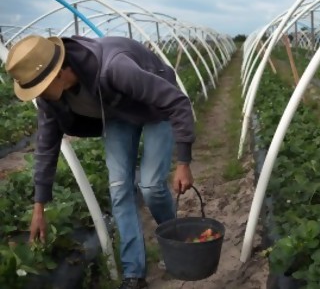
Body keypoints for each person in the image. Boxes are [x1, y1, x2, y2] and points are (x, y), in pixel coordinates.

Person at [5, 34, 196, 289]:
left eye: (39, 88)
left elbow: (177, 103)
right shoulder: (50, 100)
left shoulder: (114, 68)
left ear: (59, 72)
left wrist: (183, 162)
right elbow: (46, 147)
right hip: (117, 112)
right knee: (118, 189)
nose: (38, 96)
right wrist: (39, 206)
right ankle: (134, 274)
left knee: (150, 185)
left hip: (156, 109)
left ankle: (177, 242)